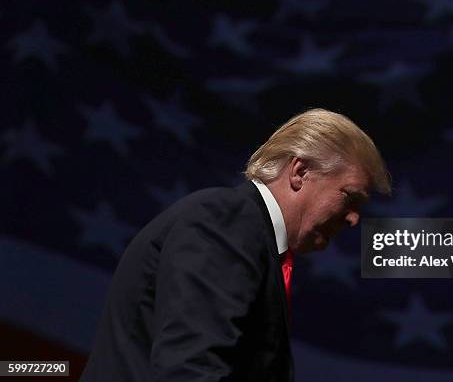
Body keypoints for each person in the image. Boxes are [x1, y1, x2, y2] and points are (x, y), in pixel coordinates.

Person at [79, 108, 391, 382]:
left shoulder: (253, 238)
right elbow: (191, 368)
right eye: (350, 197)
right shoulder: (227, 222)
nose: (354, 220)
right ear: (300, 172)